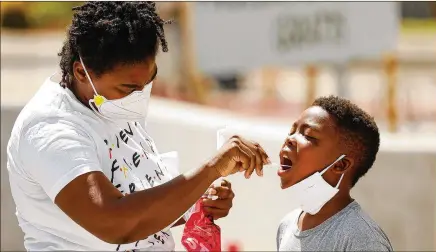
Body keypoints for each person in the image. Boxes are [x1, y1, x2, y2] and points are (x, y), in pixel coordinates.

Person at [6, 2, 270, 251]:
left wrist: (195, 201)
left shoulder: (108, 102)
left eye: (148, 82)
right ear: (81, 72)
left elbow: (139, 200)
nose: (140, 95)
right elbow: (114, 222)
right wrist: (209, 171)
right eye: (129, 88)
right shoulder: (51, 129)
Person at [276, 96, 393, 251]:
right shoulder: (287, 226)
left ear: (340, 164)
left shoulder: (362, 239)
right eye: (292, 131)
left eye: (309, 135)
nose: (290, 139)